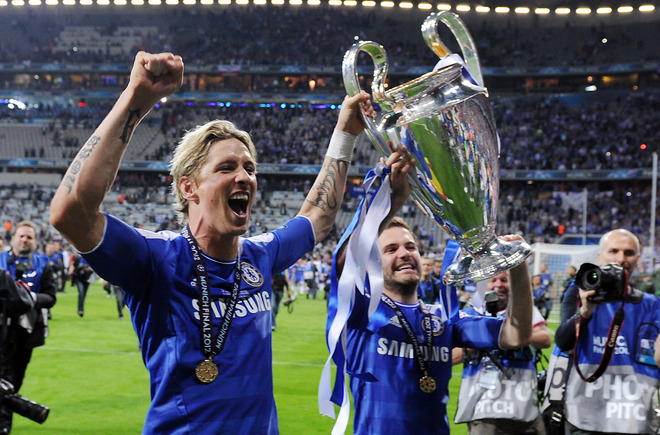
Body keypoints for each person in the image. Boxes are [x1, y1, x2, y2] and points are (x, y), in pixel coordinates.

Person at [49, 51, 374, 434]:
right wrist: (137, 99)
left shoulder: (260, 256)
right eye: (227, 167)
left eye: (249, 168)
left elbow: (317, 219)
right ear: (189, 187)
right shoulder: (157, 259)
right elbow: (70, 211)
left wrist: (345, 134)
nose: (245, 177)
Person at [323, 153, 533, 435]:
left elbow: (516, 335)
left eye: (410, 247)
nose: (404, 254)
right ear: (372, 260)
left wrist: (517, 266)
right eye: (391, 249)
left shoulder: (444, 319)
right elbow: (345, 262)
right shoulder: (363, 311)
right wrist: (393, 201)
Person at [555, 229, 660, 434]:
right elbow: (564, 342)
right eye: (614, 251)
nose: (621, 259)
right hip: (585, 417)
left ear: (638, 259)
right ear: (600, 256)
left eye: (629, 253)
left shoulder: (652, 305)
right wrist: (585, 312)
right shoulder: (578, 292)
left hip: (635, 417)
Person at [454, 271, 552, 434]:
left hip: (524, 407)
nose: (498, 285)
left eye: (504, 280)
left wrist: (512, 335)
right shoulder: (471, 314)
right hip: (484, 410)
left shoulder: (524, 311)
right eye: (493, 280)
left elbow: (545, 338)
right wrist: (478, 339)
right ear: (484, 285)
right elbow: (449, 356)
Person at [0, 221, 58, 433]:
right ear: (12, 238)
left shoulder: (43, 264)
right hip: (1, 331)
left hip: (26, 334)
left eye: (29, 237)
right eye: (21, 236)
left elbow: (51, 297)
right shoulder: (1, 261)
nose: (25, 240)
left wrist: (31, 298)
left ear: (36, 242)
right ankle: (5, 426)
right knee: (3, 384)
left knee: (13, 383)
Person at [69, 252, 94, 317]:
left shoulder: (90, 257)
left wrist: (89, 270)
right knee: (81, 293)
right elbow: (75, 268)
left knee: (84, 295)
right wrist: (82, 268)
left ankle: (81, 308)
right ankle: (80, 310)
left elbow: (93, 268)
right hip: (79, 278)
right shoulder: (77, 258)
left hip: (87, 278)